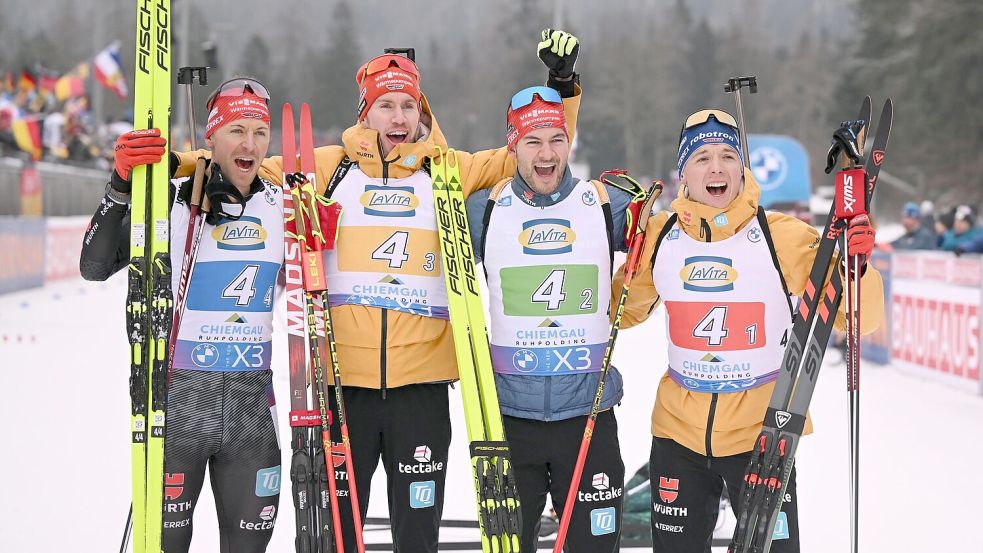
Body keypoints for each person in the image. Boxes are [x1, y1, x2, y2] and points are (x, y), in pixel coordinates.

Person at [169, 29, 582, 553]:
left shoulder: (447, 171)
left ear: (421, 112)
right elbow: (231, 164)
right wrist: (174, 164)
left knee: (416, 533)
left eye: (408, 105)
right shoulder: (324, 167)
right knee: (341, 534)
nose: (398, 117)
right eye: (386, 105)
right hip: (344, 388)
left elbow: (531, 153)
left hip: (422, 388)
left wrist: (561, 89)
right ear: (366, 113)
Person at [617, 109, 885, 552]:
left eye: (727, 155)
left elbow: (857, 319)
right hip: (677, 435)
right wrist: (617, 248)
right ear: (682, 169)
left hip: (762, 438)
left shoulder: (782, 236)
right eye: (701, 157)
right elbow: (622, 313)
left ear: (742, 166)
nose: (716, 167)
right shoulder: (661, 233)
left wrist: (858, 269)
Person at [80, 77, 283, 553]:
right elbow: (93, 267)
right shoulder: (169, 201)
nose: (249, 144)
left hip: (252, 413)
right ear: (211, 137)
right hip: (176, 407)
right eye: (236, 130)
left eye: (259, 132)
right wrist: (121, 185)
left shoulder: (284, 205)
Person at [465, 86, 638, 551]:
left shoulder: (604, 204)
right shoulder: (483, 210)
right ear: (512, 147)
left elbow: (676, 240)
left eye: (556, 140)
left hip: (588, 414)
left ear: (570, 142)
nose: (546, 153)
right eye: (533, 141)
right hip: (511, 420)